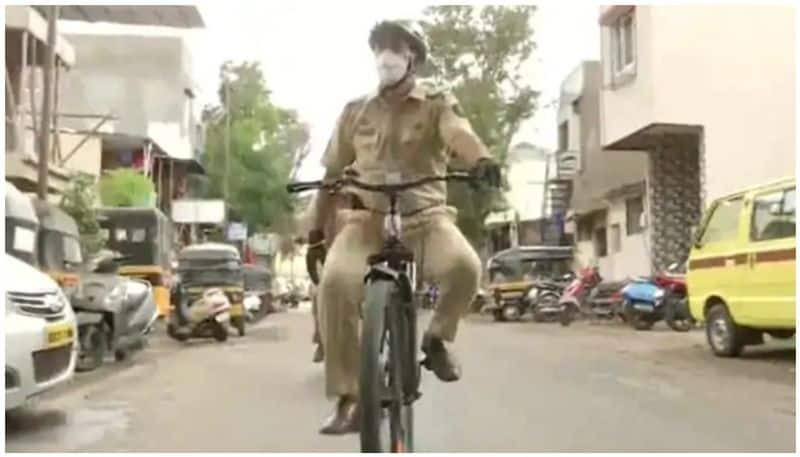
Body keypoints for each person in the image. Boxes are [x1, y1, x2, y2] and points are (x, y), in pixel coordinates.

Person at [305, 19, 502, 435]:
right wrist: (315, 232)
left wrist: (480, 160)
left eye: (396, 46)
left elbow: (458, 134)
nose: (386, 55)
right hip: (366, 221)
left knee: (466, 268)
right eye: (380, 46)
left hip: (425, 219)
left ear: (413, 56)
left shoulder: (436, 104)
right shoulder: (354, 111)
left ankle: (436, 340)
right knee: (336, 285)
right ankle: (349, 397)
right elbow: (330, 174)